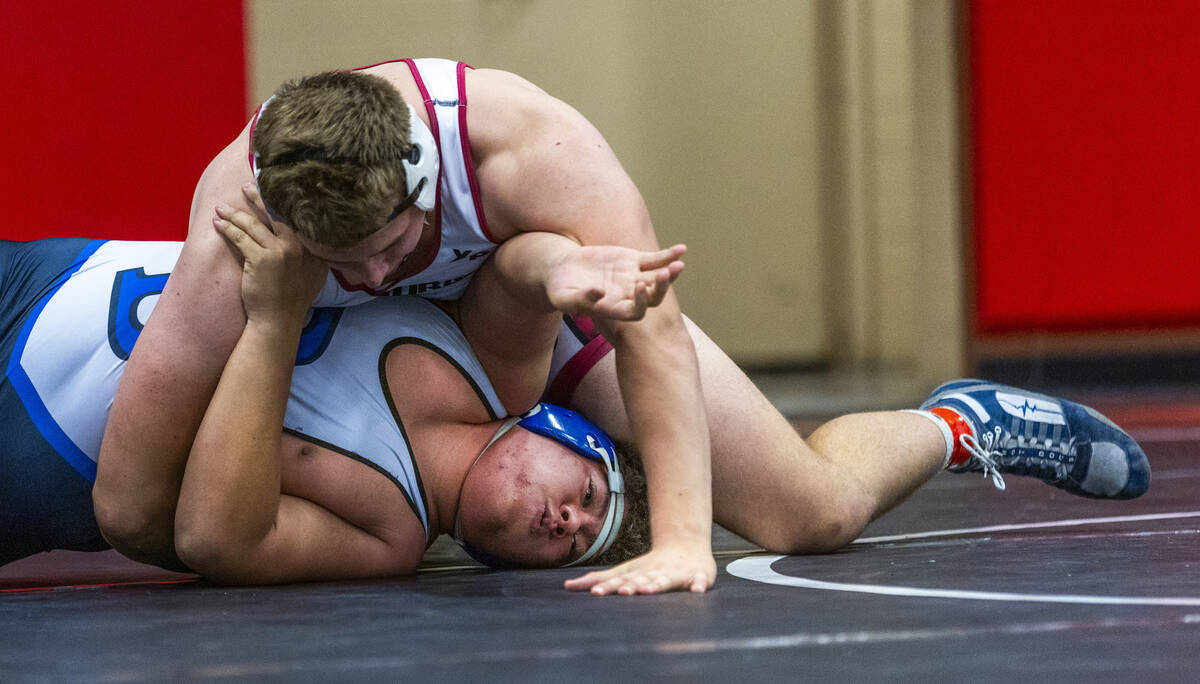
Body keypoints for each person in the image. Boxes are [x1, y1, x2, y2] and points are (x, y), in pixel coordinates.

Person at [97, 59, 716, 593]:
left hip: (561, 291)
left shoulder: (537, 155)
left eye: (390, 248)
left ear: (423, 187)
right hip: (48, 288)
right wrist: (550, 267)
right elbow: (130, 509)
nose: (371, 279)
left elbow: (649, 335)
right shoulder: (244, 217)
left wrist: (686, 540)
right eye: (340, 262)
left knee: (809, 514)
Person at [1, 225, 679, 579]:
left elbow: (214, 537)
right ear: (563, 430)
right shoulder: (498, 369)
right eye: (588, 496)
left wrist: (272, 323)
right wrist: (562, 263)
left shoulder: (387, 539)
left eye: (574, 548)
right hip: (50, 275)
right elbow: (513, 265)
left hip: (32, 449)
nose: (565, 523)